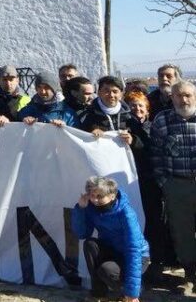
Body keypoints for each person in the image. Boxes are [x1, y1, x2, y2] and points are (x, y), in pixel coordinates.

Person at [149, 80, 196, 295]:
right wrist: (164, 183)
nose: (183, 99)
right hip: (177, 185)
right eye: (178, 95)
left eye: (187, 95)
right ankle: (191, 275)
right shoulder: (162, 121)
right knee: (182, 233)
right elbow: (156, 155)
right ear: (171, 97)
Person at [72, 176, 149, 302]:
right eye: (92, 195)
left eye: (100, 196)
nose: (95, 200)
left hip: (138, 257)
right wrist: (80, 209)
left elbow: (134, 249)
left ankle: (130, 292)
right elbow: (82, 234)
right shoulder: (91, 208)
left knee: (106, 270)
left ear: (112, 195)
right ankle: (99, 293)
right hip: (113, 251)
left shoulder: (126, 213)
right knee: (90, 244)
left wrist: (132, 294)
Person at [124, 90, 174, 283]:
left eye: (141, 106)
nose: (137, 109)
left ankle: (157, 263)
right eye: (133, 105)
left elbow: (154, 148)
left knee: (156, 224)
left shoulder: (155, 126)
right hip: (132, 182)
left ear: (147, 109)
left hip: (152, 183)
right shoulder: (124, 128)